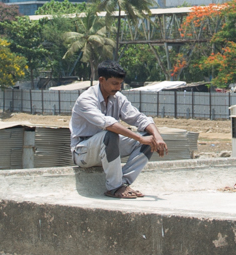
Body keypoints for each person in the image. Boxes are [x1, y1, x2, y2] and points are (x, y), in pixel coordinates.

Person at [70, 61, 165, 198]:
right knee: (111, 134)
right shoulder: (86, 99)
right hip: (84, 152)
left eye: (120, 83)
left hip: (108, 146)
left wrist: (157, 136)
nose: (119, 87)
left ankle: (123, 183)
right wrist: (139, 138)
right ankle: (114, 187)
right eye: (115, 83)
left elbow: (139, 118)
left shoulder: (117, 98)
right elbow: (107, 123)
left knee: (149, 139)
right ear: (101, 80)